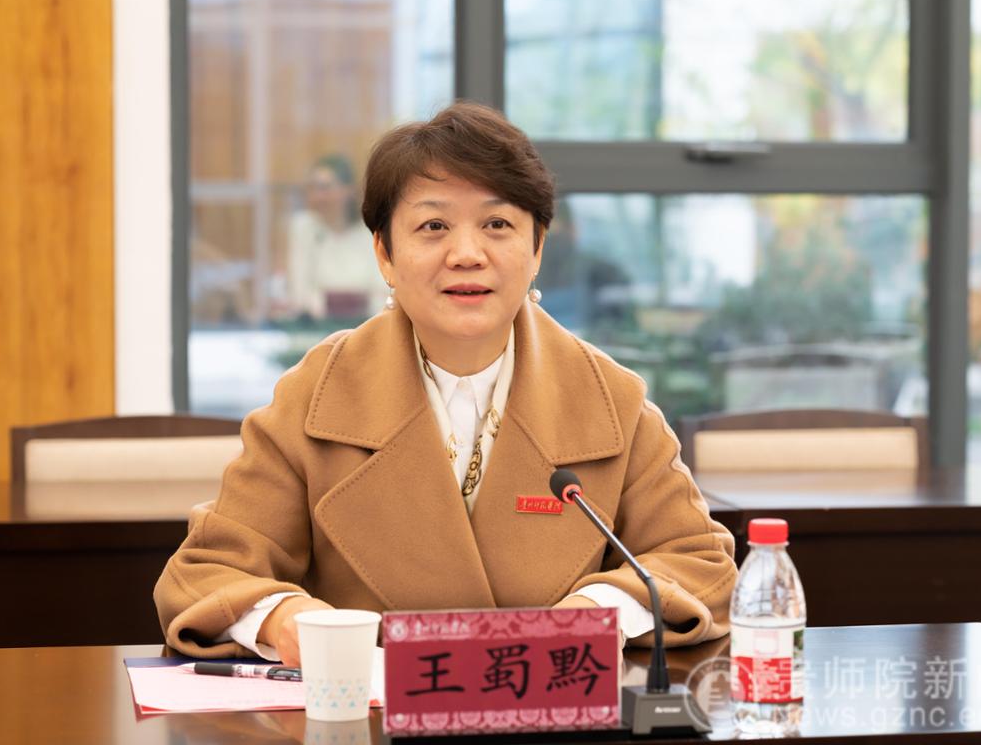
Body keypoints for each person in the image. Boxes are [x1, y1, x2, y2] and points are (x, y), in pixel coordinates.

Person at [155, 102, 736, 666]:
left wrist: (599, 612)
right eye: (433, 226)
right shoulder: (315, 395)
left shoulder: (611, 398)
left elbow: (697, 562)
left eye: (497, 224)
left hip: (552, 712)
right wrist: (283, 619)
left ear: (537, 248)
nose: (466, 254)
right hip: (364, 713)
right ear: (385, 254)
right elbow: (208, 572)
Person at [286, 154, 382, 319]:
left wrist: (333, 301)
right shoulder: (303, 228)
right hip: (317, 325)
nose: (317, 196)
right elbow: (299, 293)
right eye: (312, 188)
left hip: (367, 323)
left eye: (325, 188)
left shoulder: (372, 229)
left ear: (348, 190)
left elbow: (382, 293)